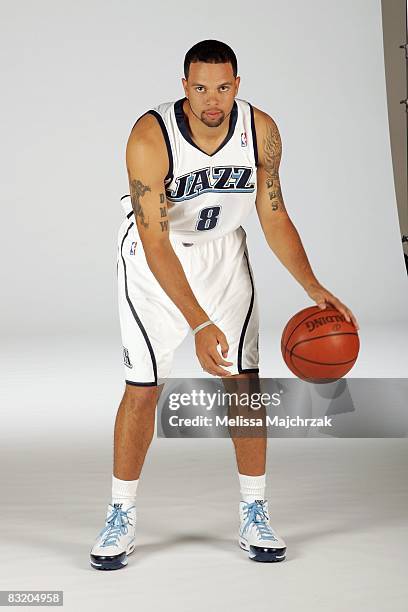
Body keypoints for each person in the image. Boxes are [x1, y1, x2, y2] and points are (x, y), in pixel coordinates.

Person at [90, 39, 359, 570]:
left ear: (237, 83)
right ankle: (119, 514)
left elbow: (274, 214)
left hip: (224, 257)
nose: (212, 98)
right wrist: (199, 322)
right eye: (200, 87)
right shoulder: (150, 137)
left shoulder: (261, 131)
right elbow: (154, 240)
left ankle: (254, 510)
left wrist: (311, 284)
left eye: (223, 86)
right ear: (183, 86)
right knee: (144, 389)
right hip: (155, 261)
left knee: (245, 386)